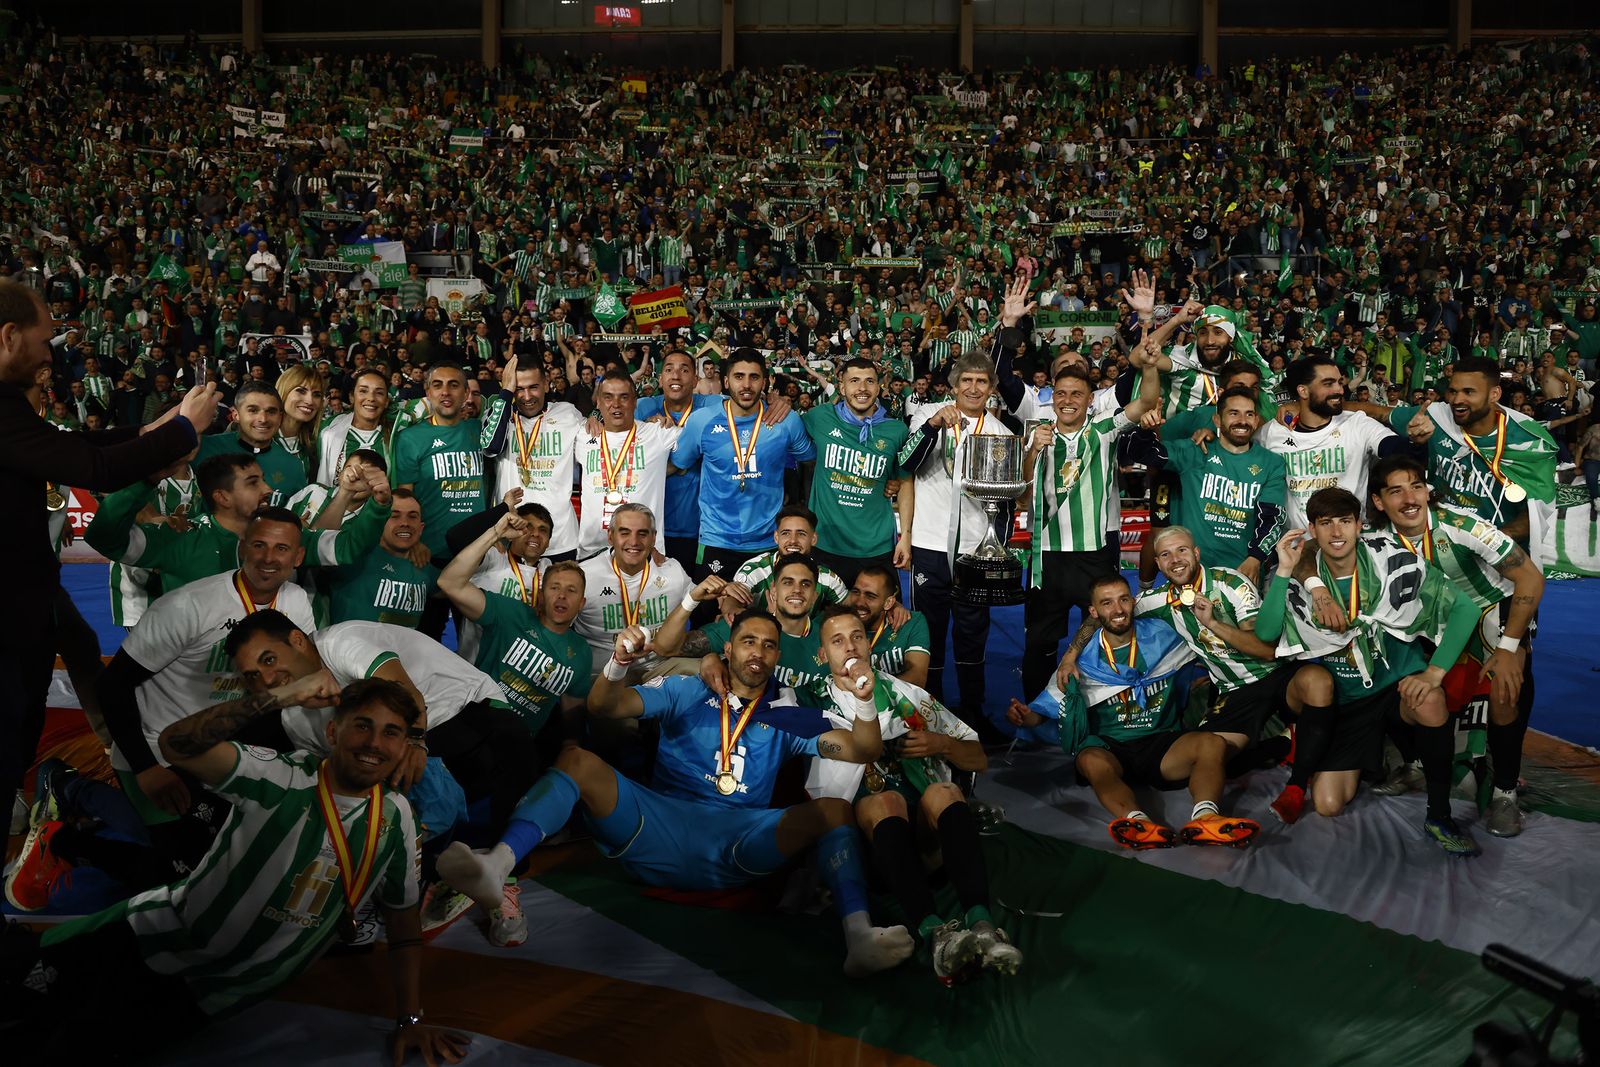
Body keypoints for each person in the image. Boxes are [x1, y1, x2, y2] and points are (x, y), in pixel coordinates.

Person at [3, 675, 469, 1065]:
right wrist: (282, 695)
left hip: (209, 994)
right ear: (332, 733)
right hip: (145, 934)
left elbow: (404, 926)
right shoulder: (281, 775)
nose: (374, 742)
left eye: (391, 732)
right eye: (362, 726)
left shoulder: (396, 817)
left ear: (406, 744)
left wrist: (410, 1019)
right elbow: (177, 744)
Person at [433, 611, 914, 977]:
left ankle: (859, 940)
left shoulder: (789, 716)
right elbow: (606, 706)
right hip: (655, 828)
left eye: (769, 646)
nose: (758, 652)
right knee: (578, 762)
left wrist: (865, 698)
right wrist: (620, 664)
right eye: (748, 640)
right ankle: (495, 868)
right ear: (728, 650)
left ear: (776, 658)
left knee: (832, 810)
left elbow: (863, 749)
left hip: (737, 844)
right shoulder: (687, 691)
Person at [0, 279, 218, 815]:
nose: (52, 349)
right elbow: (91, 467)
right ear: (9, 336)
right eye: (46, 337)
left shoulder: (9, 405)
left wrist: (151, 429)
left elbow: (75, 446)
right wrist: (185, 429)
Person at [1252, 489, 1484, 856]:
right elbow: (1265, 634)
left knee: (1431, 702)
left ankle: (1439, 815)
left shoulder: (1391, 561)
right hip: (1347, 703)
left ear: (1360, 525)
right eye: (1325, 524)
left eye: (1345, 521)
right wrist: (1282, 570)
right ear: (1312, 529)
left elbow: (1467, 609)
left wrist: (1434, 673)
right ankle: (1364, 758)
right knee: (1328, 805)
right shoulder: (1298, 576)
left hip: (1394, 689)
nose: (1336, 532)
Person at [806, 607, 1020, 983]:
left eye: (857, 636)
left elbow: (979, 758)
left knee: (945, 790)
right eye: (837, 641)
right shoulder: (809, 702)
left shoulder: (907, 694)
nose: (850, 647)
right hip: (867, 852)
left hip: (928, 844)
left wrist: (943, 744)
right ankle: (935, 934)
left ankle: (983, 926)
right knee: (884, 799)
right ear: (822, 655)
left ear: (869, 643)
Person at [226, 610, 546, 842]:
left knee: (405, 781)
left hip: (472, 711)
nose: (266, 680)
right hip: (415, 738)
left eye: (268, 660)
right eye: (253, 675)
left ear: (297, 640)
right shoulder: (293, 719)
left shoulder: (339, 642)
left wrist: (417, 741)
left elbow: (406, 695)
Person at [1004, 574, 1261, 850]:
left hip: (1161, 744)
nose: (1117, 610)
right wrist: (1024, 715)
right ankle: (1138, 824)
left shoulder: (1164, 637)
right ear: (1093, 612)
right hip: (1110, 748)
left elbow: (1210, 650)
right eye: (1106, 603)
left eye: (1124, 600)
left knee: (1211, 742)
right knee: (1089, 759)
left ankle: (1207, 818)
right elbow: (1043, 712)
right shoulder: (1083, 660)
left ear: (1133, 601)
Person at [1362, 455, 1546, 838]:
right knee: (1390, 684)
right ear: (1379, 502)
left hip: (1489, 616)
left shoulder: (1462, 525)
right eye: (1396, 491)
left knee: (1504, 690)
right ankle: (1417, 764)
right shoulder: (1372, 540)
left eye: (1416, 486)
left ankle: (1505, 793)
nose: (1410, 499)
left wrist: (1511, 647)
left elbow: (1529, 577)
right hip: (1429, 629)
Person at [1113, 526, 1336, 823]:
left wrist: (1214, 624)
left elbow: (1266, 648)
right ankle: (1285, 740)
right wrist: (1072, 656)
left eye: (1181, 551)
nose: (1175, 560)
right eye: (1165, 555)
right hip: (1234, 691)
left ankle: (1295, 786)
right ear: (1157, 561)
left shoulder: (1231, 583)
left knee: (1318, 682)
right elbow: (1112, 615)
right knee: (1211, 762)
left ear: (1196, 554)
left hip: (1276, 675)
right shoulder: (1157, 600)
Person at [1018, 341, 1161, 701]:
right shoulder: (1037, 436)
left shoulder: (1104, 430)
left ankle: (1101, 703)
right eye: (1061, 393)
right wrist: (1033, 450)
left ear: (1089, 399)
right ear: (1052, 398)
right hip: (1045, 556)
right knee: (1038, 641)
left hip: (1092, 556)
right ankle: (1036, 710)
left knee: (1100, 631)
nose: (1068, 400)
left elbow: (1145, 402)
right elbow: (1021, 496)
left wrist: (1150, 365)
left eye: (1077, 394)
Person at [898, 353, 1014, 738]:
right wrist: (932, 426)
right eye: (967, 381)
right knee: (927, 633)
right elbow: (906, 462)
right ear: (954, 384)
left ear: (991, 388)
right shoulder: (927, 416)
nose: (973, 388)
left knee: (972, 633)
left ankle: (972, 711)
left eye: (982, 382)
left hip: (974, 551)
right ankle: (928, 710)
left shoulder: (1001, 434)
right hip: (929, 546)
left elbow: (1006, 504)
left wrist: (1000, 548)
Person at [86, 452, 391, 592]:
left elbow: (346, 547)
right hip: (187, 686)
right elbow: (104, 538)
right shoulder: (180, 537)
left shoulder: (282, 534)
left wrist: (378, 506)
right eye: (253, 482)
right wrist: (146, 480)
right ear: (223, 497)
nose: (268, 489)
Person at [670, 349, 815, 580]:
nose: (746, 385)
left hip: (768, 541)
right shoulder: (701, 421)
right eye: (739, 377)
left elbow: (810, 462)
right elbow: (677, 464)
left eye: (754, 377)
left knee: (766, 615)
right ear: (726, 381)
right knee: (708, 614)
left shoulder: (786, 421)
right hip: (716, 540)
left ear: (765, 382)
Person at [1247, 354, 1402, 531]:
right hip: (1296, 549)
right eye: (1328, 384)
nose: (1339, 390)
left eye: (1339, 382)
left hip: (1349, 542)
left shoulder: (1357, 424)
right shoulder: (1272, 432)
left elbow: (1395, 448)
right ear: (1303, 391)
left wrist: (1416, 438)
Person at [800, 357, 913, 585]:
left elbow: (905, 483)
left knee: (882, 618)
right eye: (854, 381)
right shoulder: (820, 417)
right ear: (842, 387)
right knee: (826, 619)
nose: (862, 389)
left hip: (876, 546)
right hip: (826, 543)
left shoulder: (896, 430)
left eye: (869, 381)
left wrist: (906, 538)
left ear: (879, 387)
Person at [394, 361, 487, 636]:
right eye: (438, 385)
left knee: (474, 647)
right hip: (427, 556)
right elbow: (404, 497)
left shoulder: (480, 432)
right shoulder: (411, 438)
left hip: (475, 558)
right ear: (427, 392)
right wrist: (413, 541)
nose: (445, 392)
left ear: (466, 393)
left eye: (454, 385)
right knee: (422, 641)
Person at [1158, 384, 1286, 579]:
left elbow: (1271, 517)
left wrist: (1255, 558)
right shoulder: (1196, 449)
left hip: (1241, 571)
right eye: (1234, 413)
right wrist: (1144, 429)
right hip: (1189, 572)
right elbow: (1144, 454)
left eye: (1249, 414)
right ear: (1217, 420)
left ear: (1257, 419)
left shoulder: (1272, 463)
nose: (1242, 421)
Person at [654, 553, 830, 694]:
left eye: (805, 584)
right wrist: (692, 599)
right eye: (788, 582)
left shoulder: (830, 640)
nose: (797, 590)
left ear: (814, 596)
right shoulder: (743, 627)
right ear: (774, 591)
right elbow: (664, 647)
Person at [479, 353, 584, 560]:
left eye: (533, 387)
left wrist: (597, 418)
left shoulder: (568, 414)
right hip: (512, 536)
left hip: (561, 539)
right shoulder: (498, 415)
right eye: (519, 388)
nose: (527, 396)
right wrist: (506, 393)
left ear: (546, 384)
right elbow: (491, 447)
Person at [574, 503, 692, 675]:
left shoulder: (672, 570)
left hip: (658, 671)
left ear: (653, 538)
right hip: (602, 676)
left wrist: (726, 598)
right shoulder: (584, 576)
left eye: (642, 534)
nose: (634, 542)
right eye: (625, 533)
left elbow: (705, 596)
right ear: (610, 536)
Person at [633, 348, 722, 570]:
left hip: (702, 528)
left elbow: (751, 409)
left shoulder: (712, 406)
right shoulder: (643, 408)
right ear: (660, 379)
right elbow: (623, 458)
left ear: (695, 380)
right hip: (652, 527)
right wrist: (648, 432)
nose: (675, 376)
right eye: (669, 370)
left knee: (696, 597)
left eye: (684, 370)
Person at [576, 369, 680, 559]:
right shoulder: (582, 435)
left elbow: (699, 447)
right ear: (598, 402)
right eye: (608, 397)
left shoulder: (657, 433)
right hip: (592, 551)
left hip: (643, 550)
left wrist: (663, 470)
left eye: (624, 397)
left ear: (634, 402)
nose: (616, 404)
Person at [325, 487, 439, 628]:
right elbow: (325, 539)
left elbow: (453, 586)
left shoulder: (424, 565)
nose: (405, 523)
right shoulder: (355, 555)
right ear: (378, 520)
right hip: (353, 647)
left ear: (421, 528)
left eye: (412, 516)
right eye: (394, 516)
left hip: (403, 649)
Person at [194, 381, 307, 507]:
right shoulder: (203, 447)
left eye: (271, 412)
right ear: (236, 415)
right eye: (253, 410)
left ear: (280, 418)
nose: (263, 419)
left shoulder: (293, 466)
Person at [725, 505, 849, 617]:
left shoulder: (827, 578)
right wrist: (733, 611)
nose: (793, 540)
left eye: (801, 534)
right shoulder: (756, 569)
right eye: (786, 533)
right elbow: (731, 602)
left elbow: (851, 610)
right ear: (776, 537)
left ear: (814, 539)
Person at [847, 563, 931, 689]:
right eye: (856, 592)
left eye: (870, 596)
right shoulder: (838, 625)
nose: (859, 602)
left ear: (889, 603)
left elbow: (917, 678)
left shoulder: (911, 623)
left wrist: (870, 689)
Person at [316, 367, 399, 484]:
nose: (371, 398)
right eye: (363, 391)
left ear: (386, 402)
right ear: (352, 397)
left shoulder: (397, 435)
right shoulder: (328, 431)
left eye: (379, 393)